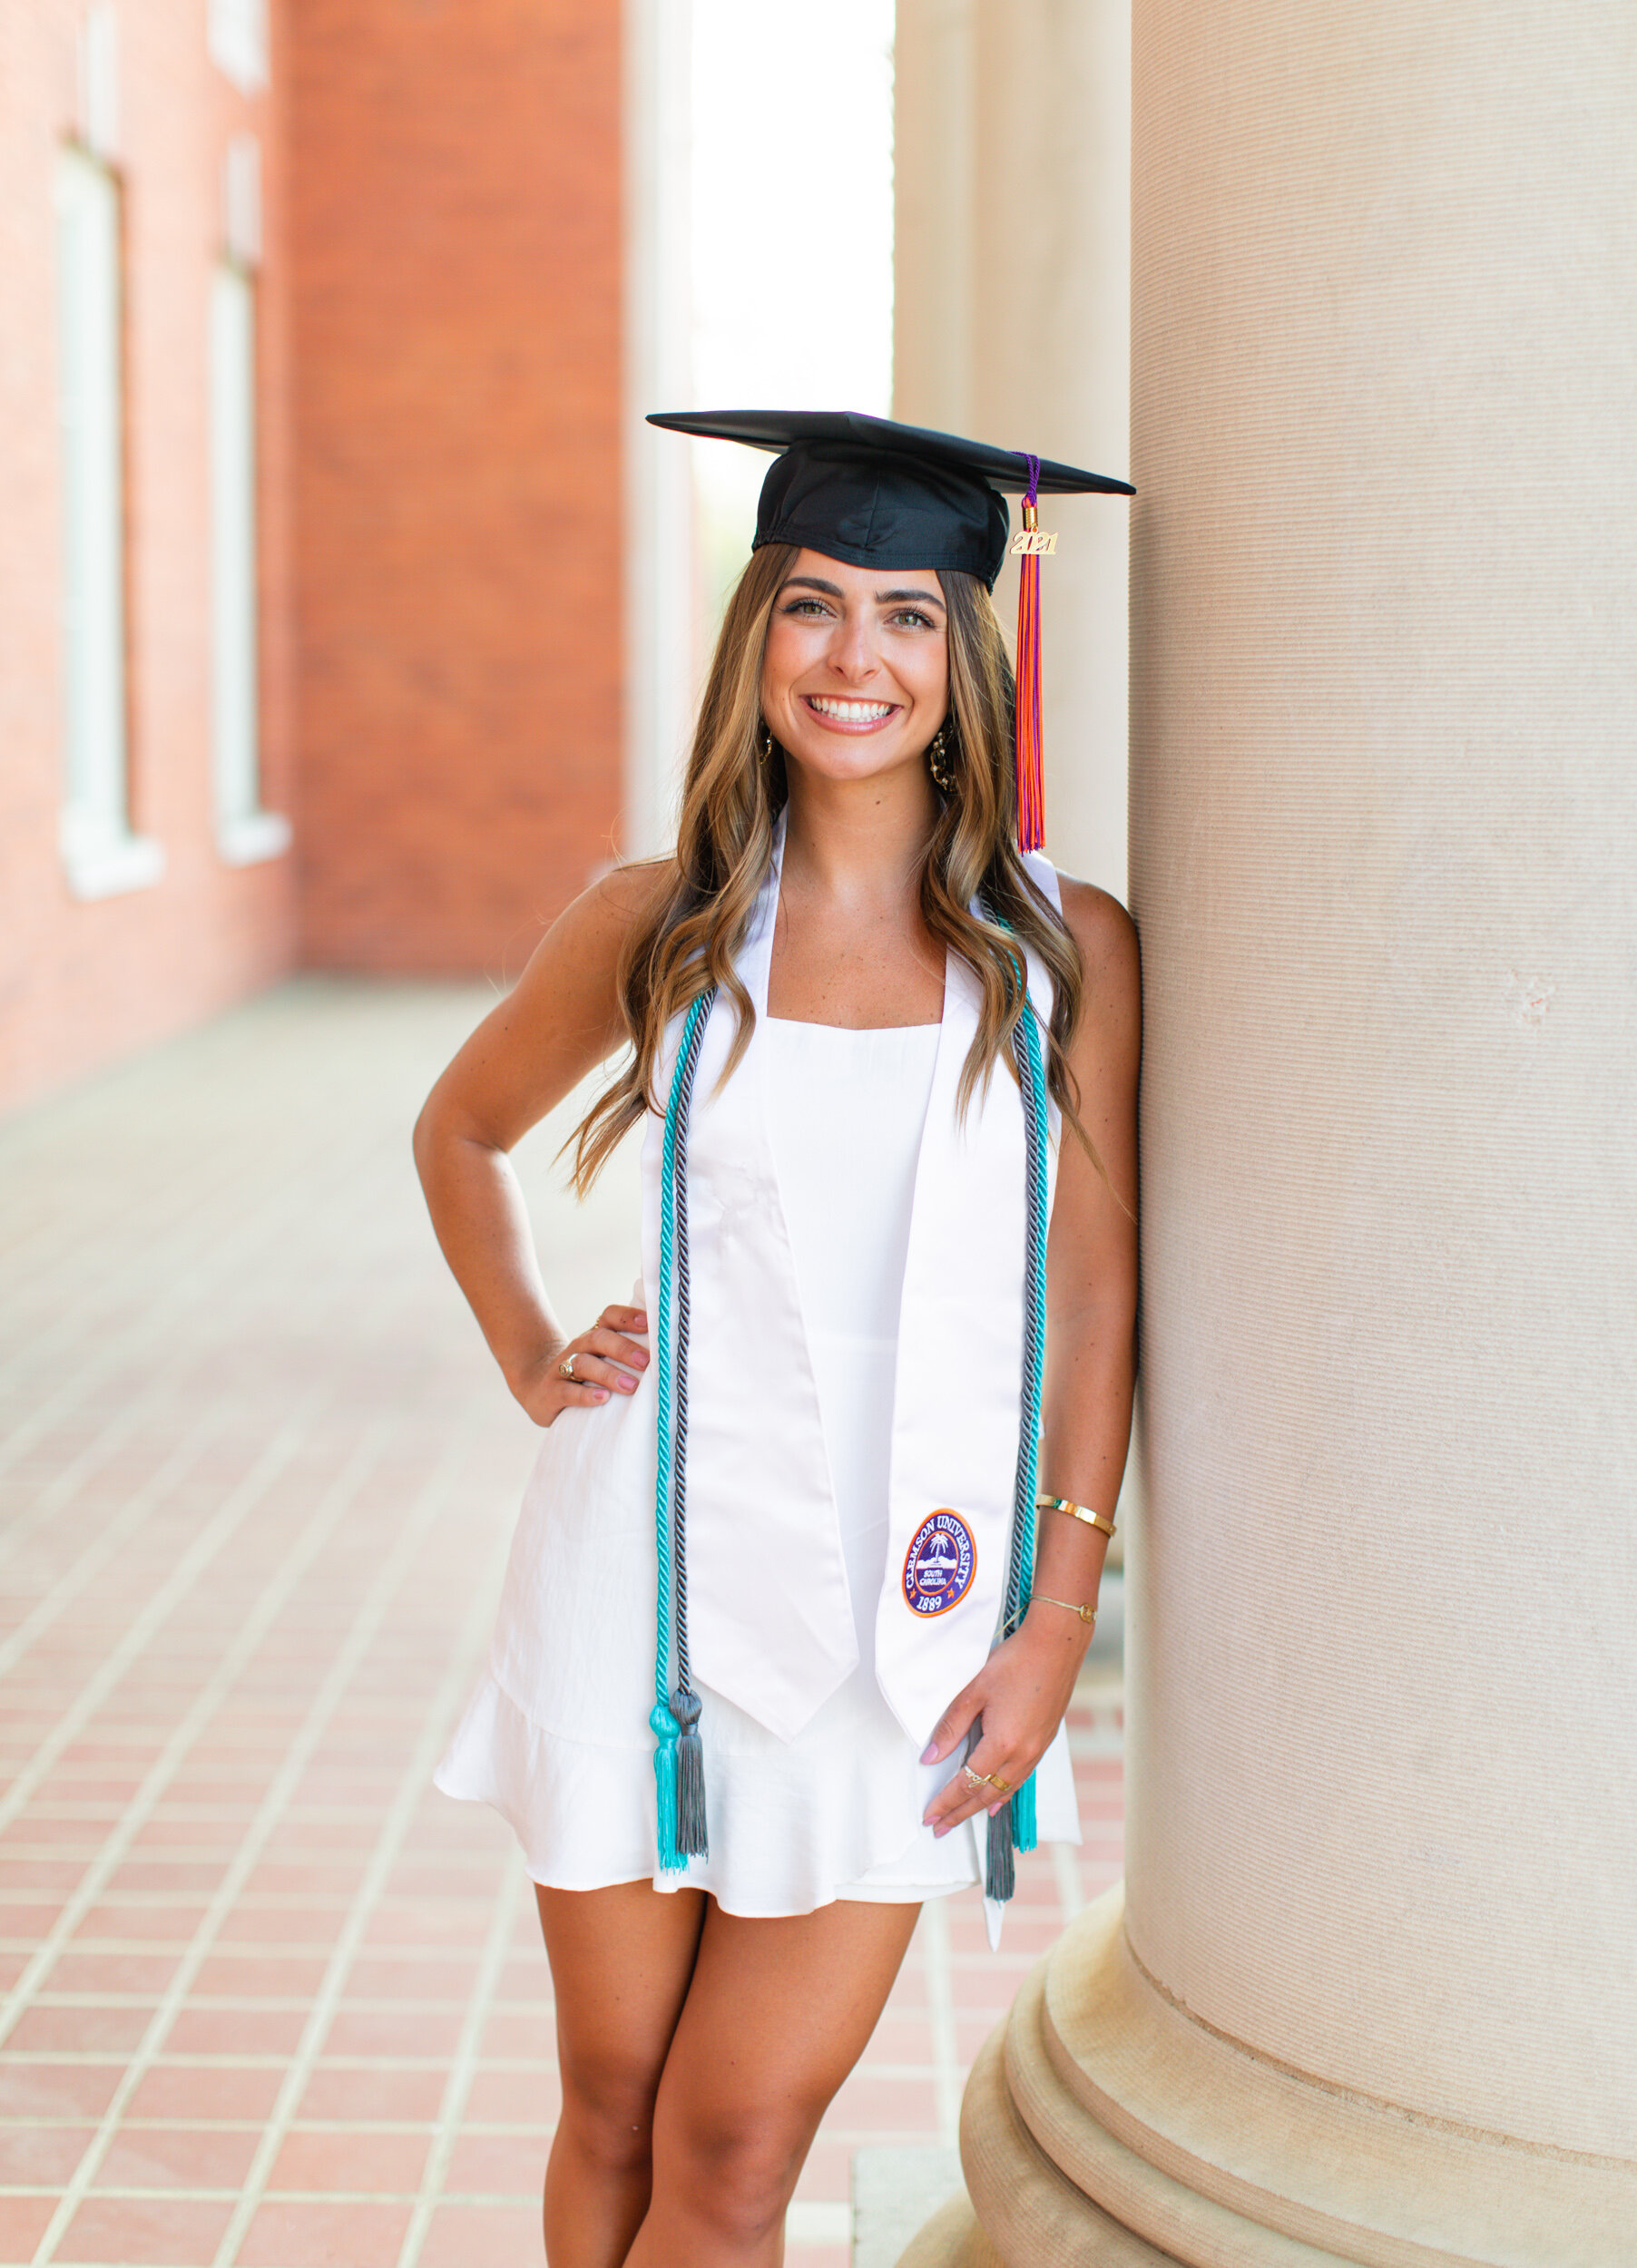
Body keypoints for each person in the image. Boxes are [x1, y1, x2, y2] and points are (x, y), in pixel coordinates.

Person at [413, 410, 1140, 2268]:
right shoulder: (656, 919)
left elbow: (1091, 1289)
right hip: (645, 1572)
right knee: (612, 2094)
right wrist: (527, 1352)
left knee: (735, 2137)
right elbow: (461, 1127)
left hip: (906, 1598)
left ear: (965, 657)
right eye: (811, 605)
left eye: (907, 615)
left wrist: (1054, 1615)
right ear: (755, 639)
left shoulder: (1059, 950)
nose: (853, 657)